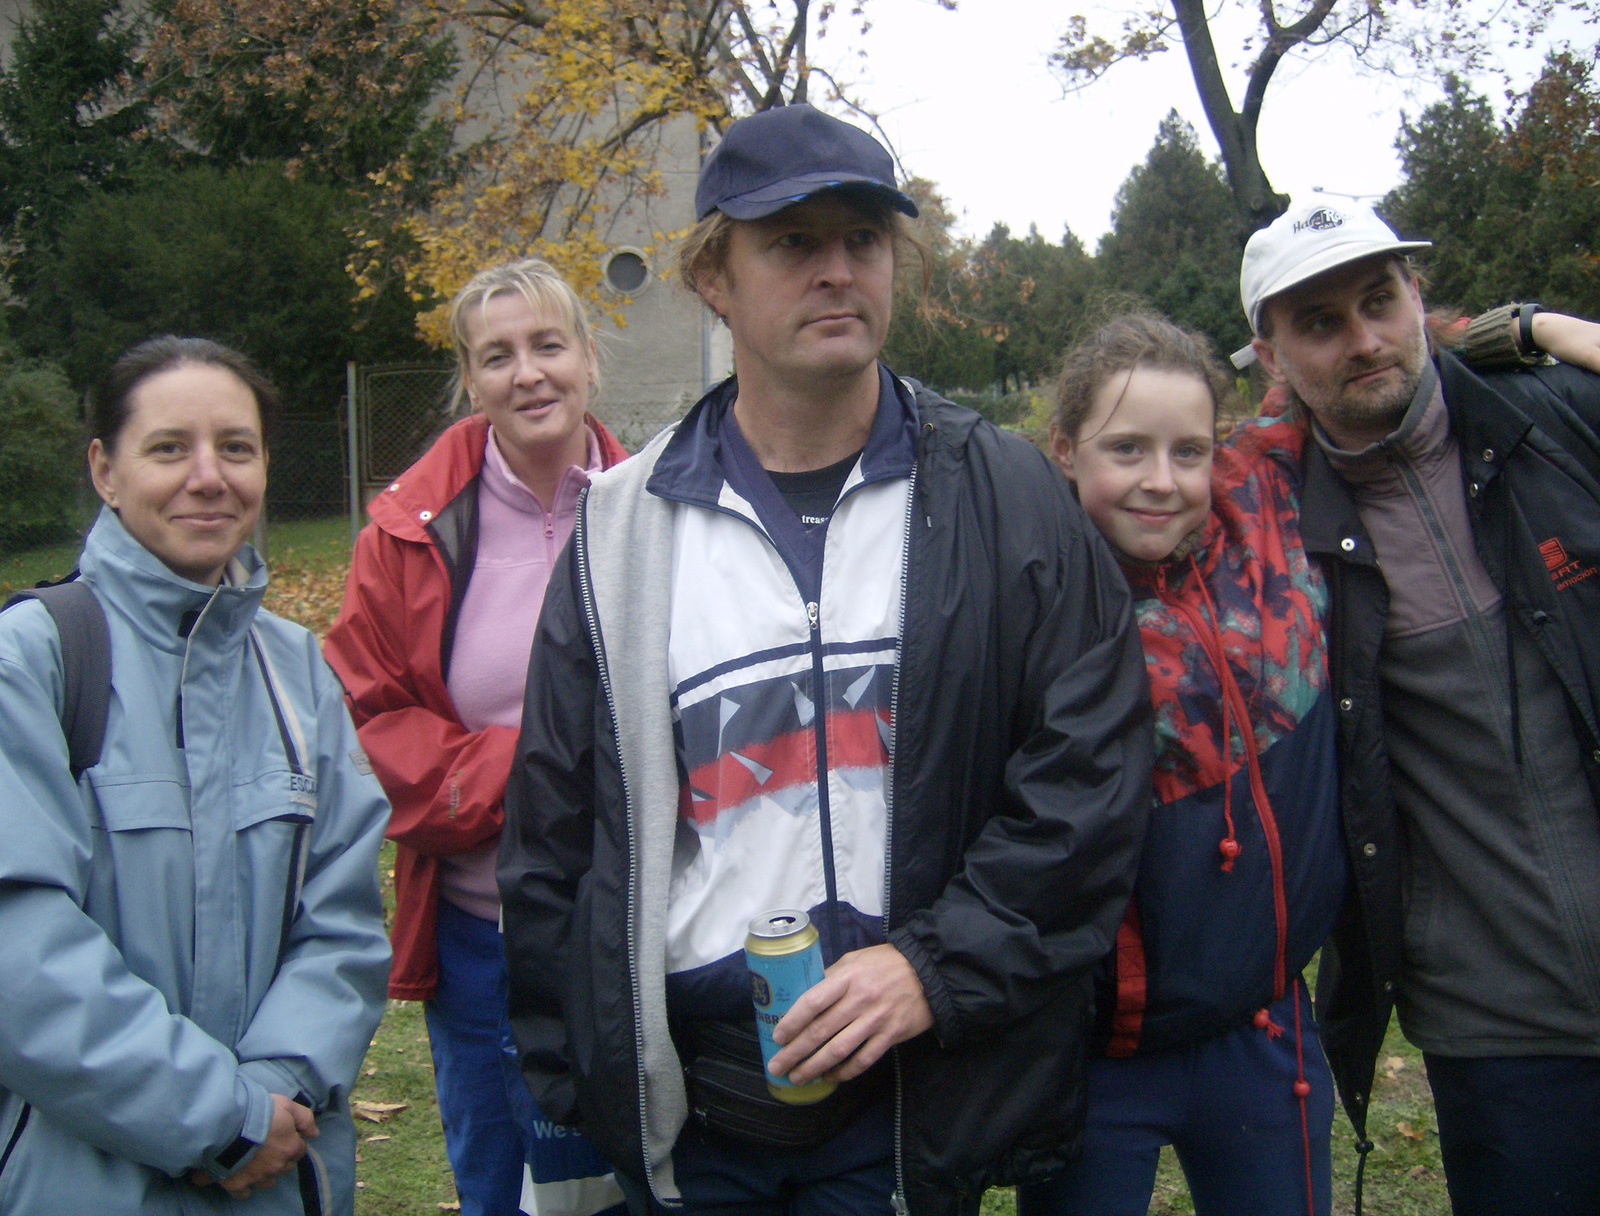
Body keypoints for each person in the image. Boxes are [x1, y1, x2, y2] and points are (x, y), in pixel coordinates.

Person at [497, 103, 1154, 1216]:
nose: (837, 271)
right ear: (716, 276)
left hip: (903, 1107)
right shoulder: (623, 527)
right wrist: (589, 1082)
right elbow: (554, 837)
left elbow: (1087, 777)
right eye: (793, 243)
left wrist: (930, 968)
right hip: (698, 1112)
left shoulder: (1003, 498)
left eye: (863, 240)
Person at [1242, 195, 1600, 1215]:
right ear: (1270, 353)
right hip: (1497, 1029)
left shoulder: (1553, 425)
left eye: (1378, 300)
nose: (1362, 340)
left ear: (1418, 296)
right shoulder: (1272, 534)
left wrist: (1538, 328)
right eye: (1319, 322)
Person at [0, 336, 391, 1213]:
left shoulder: (298, 671)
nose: (208, 476)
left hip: (276, 1173)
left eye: (236, 448)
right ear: (105, 469)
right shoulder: (31, 664)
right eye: (169, 448)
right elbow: (17, 953)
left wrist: (272, 1094)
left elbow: (343, 925)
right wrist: (212, 1117)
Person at [1014, 313, 1344, 1216]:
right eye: (1126, 448)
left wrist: (1535, 326)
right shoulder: (1026, 600)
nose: (1162, 482)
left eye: (1189, 452)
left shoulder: (1261, 503)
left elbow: (1361, 359)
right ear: (1065, 450)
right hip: (1095, 1055)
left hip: (1265, 1032)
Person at [324, 259, 631, 1216]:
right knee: (499, 1187)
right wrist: (528, 768)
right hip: (479, 935)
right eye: (498, 356)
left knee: (631, 1184)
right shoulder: (407, 532)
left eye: (548, 345)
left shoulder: (659, 510)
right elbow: (366, 721)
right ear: (470, 379)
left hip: (624, 923)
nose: (528, 373)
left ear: (588, 357)